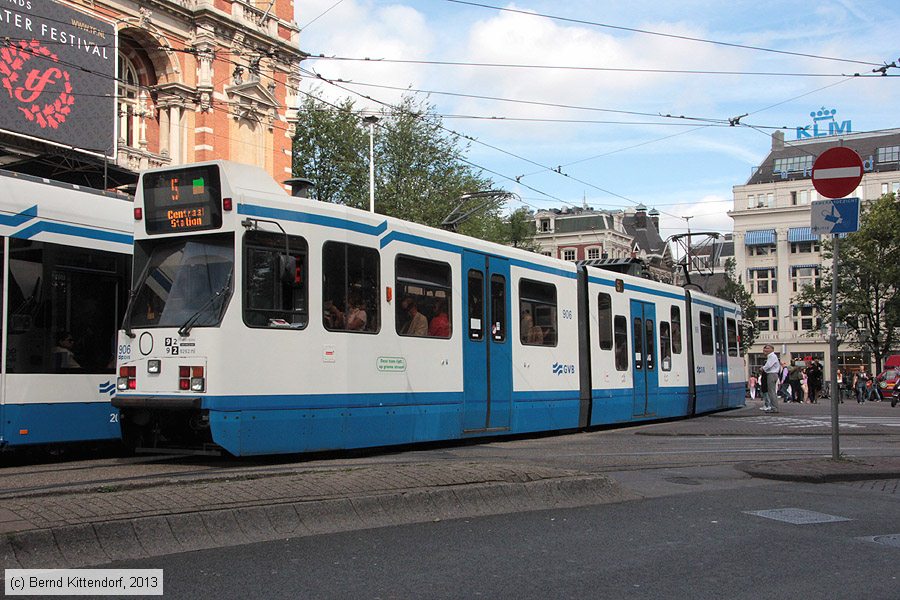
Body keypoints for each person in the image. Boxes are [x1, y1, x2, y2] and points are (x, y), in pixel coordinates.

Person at [761, 344, 780, 413]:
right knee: (772, 391)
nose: (765, 350)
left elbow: (768, 365)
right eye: (765, 348)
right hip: (773, 374)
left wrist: (763, 368)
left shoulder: (772, 356)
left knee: (771, 392)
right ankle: (774, 407)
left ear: (772, 349)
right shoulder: (772, 356)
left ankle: (774, 408)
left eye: (767, 348)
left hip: (771, 374)